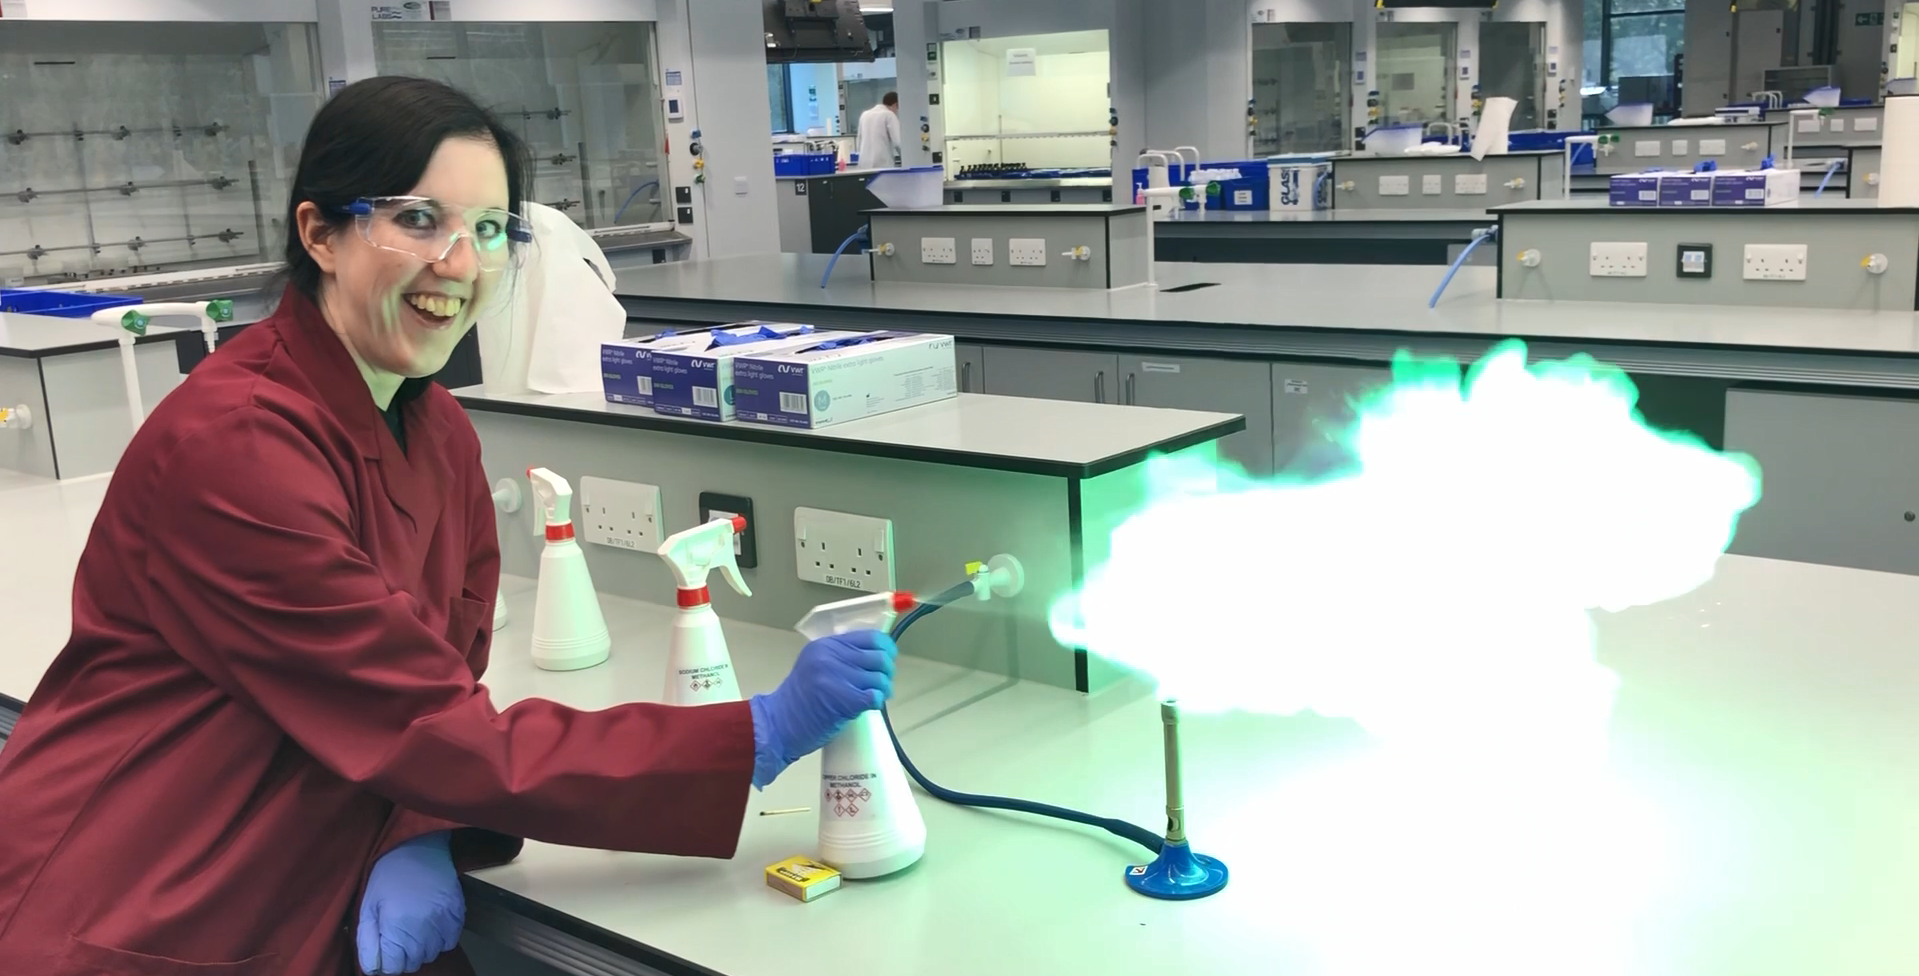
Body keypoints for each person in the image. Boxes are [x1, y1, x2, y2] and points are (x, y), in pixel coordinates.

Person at [0, 76, 897, 976]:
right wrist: (752, 736)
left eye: (492, 228)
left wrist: (418, 823)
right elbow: (421, 720)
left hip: (308, 858)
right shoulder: (235, 447)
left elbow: (425, 689)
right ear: (320, 234)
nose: (462, 263)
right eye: (420, 220)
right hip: (152, 890)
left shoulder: (436, 430)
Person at [856, 91, 902, 169]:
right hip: (882, 164)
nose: (897, 111)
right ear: (895, 105)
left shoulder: (864, 115)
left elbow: (859, 141)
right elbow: (898, 142)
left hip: (864, 164)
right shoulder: (889, 115)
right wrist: (907, 158)